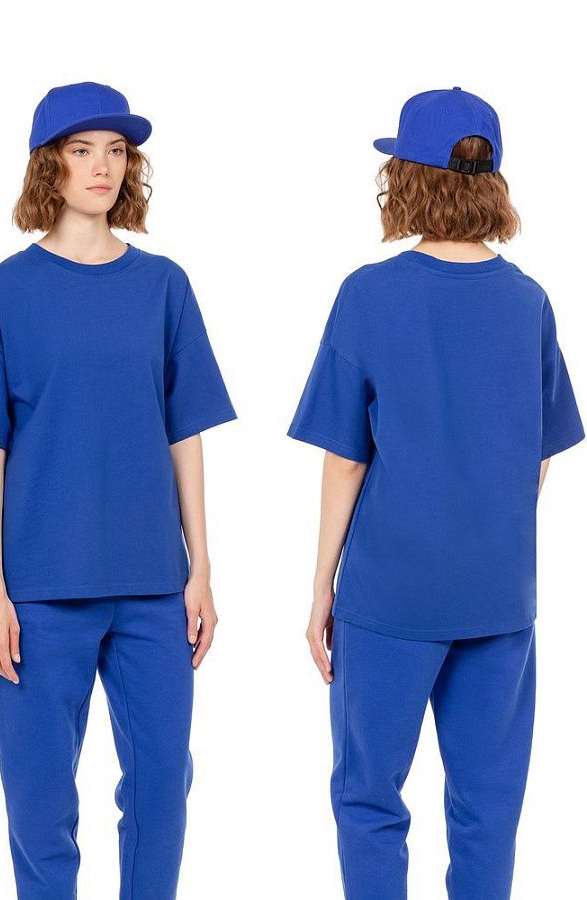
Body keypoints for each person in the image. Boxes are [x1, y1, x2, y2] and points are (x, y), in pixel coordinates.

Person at [0, 81, 236, 899]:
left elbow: (185, 434)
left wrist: (201, 569)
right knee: (39, 807)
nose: (102, 166)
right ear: (49, 166)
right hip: (37, 592)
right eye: (81, 149)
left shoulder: (165, 286)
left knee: (163, 787)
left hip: (152, 588)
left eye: (116, 150)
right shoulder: (4, 291)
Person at [287, 87, 583, 899]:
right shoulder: (528, 302)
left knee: (369, 798)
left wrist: (322, 587)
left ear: (407, 180)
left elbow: (346, 461)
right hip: (498, 592)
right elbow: (538, 455)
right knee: (488, 807)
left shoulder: (370, 295)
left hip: (390, 593)